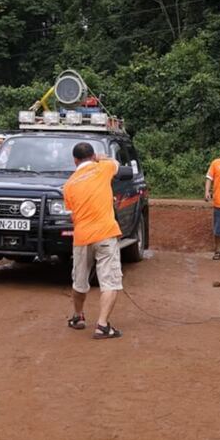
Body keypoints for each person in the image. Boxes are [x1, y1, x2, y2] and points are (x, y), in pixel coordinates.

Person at [63, 142, 125, 339]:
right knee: (110, 282)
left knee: (79, 281)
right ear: (92, 156)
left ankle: (78, 316)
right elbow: (115, 163)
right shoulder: (103, 168)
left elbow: (72, 215)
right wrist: (101, 157)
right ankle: (102, 325)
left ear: (75, 160)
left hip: (81, 237)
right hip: (106, 233)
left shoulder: (69, 184)